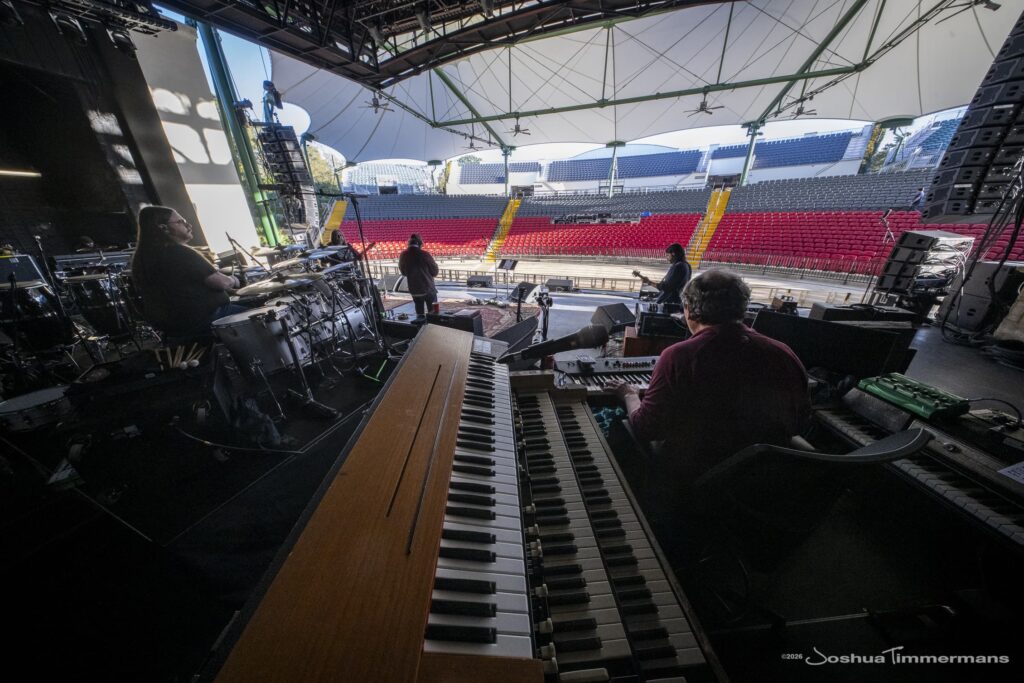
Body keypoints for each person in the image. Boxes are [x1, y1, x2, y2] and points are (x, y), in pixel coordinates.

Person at [607, 269, 808, 488]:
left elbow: (645, 428)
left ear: (689, 311)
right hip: (764, 479)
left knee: (619, 425)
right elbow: (800, 421)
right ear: (743, 308)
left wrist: (629, 394)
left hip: (699, 479)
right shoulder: (784, 353)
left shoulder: (678, 356)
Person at [130, 206, 243, 339]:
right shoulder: (178, 252)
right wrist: (234, 280)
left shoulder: (142, 259)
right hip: (207, 320)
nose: (188, 225)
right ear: (163, 228)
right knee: (258, 315)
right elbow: (221, 283)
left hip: (174, 327)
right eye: (180, 222)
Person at [398, 233, 439, 318]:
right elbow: (435, 272)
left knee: (419, 314)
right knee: (433, 314)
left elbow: (403, 273)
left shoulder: (403, 255)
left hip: (414, 290)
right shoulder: (425, 254)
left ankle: (420, 326)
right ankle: (433, 327)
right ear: (420, 244)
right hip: (428, 289)